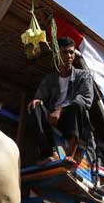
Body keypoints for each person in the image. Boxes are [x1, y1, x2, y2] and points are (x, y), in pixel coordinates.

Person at [27, 36, 94, 164]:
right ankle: (50, 152)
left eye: (71, 52)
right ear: (57, 55)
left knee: (78, 104)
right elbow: (40, 97)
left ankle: (71, 154)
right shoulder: (50, 79)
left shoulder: (83, 75)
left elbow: (86, 100)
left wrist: (60, 110)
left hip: (73, 120)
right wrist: (38, 101)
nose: (69, 56)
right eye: (65, 52)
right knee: (34, 106)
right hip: (53, 119)